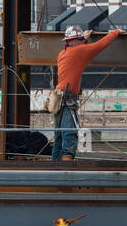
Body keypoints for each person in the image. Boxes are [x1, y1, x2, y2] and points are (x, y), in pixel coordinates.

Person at [51, 25, 122, 161]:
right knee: (69, 133)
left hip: (58, 98)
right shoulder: (80, 51)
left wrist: (84, 39)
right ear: (77, 39)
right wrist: (116, 32)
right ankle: (66, 168)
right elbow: (102, 44)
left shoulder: (63, 53)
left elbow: (80, 49)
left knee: (59, 135)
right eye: (81, 39)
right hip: (67, 98)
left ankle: (54, 166)